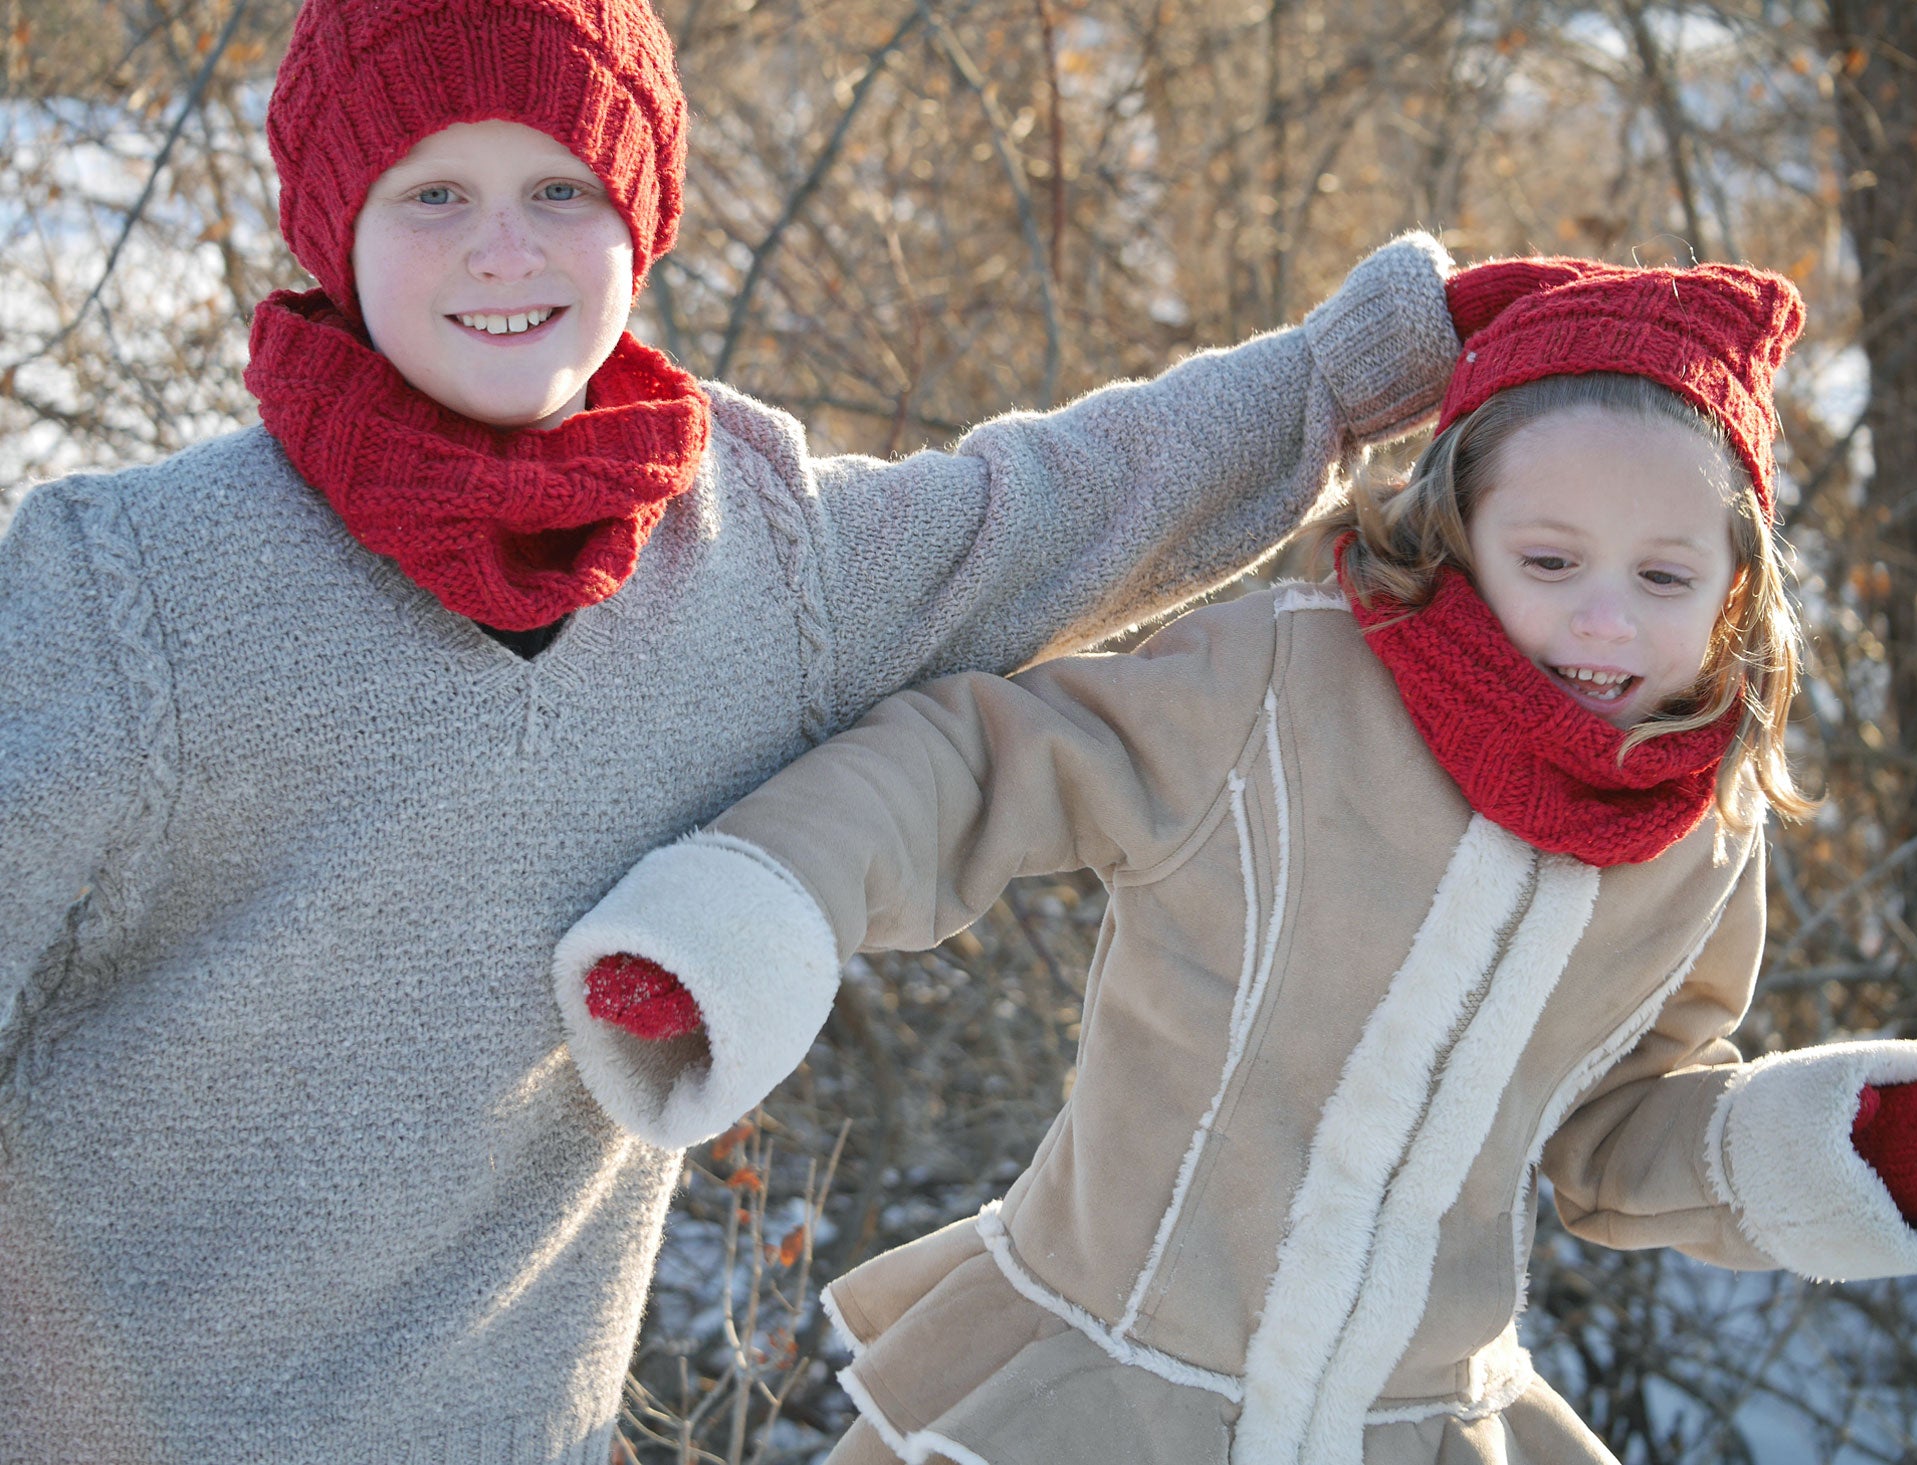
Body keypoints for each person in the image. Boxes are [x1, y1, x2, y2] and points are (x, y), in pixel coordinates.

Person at [0, 0, 1475, 1456]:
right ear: (333, 226)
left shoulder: (748, 556)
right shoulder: (128, 590)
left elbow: (1050, 513)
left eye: (560, 187)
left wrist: (1349, 378)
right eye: (433, 190)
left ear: (640, 214)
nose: (502, 246)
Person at [557, 258, 1917, 1465]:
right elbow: (983, 761)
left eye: (1663, 577)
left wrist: (1840, 1151)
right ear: (1459, 524)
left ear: (1736, 585)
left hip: (1412, 1417)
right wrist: (756, 907)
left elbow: (1612, 1128)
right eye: (1550, 558)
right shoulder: (1281, 683)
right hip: (1100, 1388)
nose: (1606, 620)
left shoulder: (1701, 834)